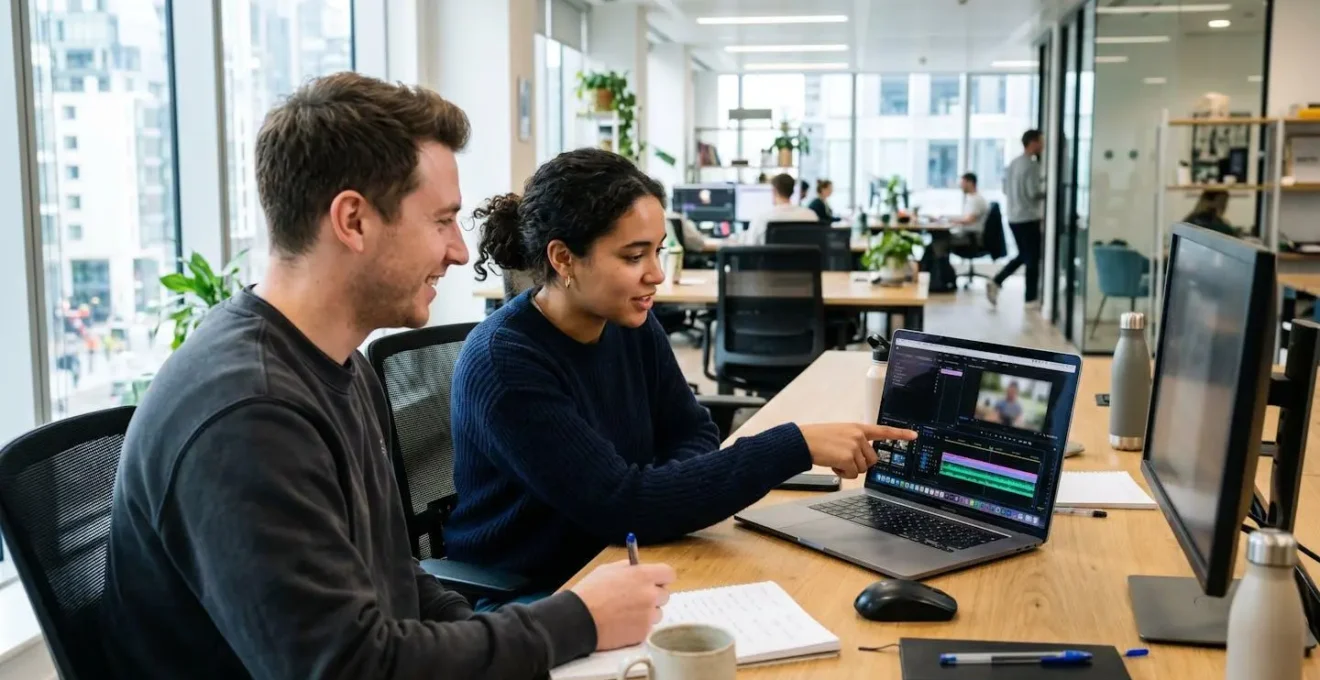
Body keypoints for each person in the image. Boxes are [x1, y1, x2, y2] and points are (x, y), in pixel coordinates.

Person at [101, 73, 676, 680]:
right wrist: (574, 622)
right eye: (441, 221)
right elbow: (348, 669)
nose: (459, 251)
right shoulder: (250, 414)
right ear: (353, 221)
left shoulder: (338, 364)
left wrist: (513, 639)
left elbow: (397, 577)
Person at [447, 148, 918, 593]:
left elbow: (693, 431)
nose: (656, 273)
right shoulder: (505, 361)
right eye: (634, 256)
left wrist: (666, 494)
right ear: (563, 258)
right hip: (535, 592)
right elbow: (622, 505)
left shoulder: (628, 320)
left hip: (627, 555)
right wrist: (793, 445)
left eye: (658, 251)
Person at [990, 129, 1047, 309]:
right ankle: (1030, 299)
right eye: (1041, 141)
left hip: (1013, 217)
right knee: (1032, 258)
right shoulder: (1032, 165)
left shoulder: (1013, 163)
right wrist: (1050, 191)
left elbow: (1005, 190)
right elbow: (1033, 193)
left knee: (1025, 255)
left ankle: (997, 281)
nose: (1043, 145)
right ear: (1033, 142)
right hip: (1028, 217)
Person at [741, 172, 820, 245]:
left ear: (774, 191)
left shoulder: (762, 219)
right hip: (803, 256)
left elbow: (750, 247)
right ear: (792, 191)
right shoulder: (811, 216)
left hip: (772, 256)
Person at [949, 172, 989, 246]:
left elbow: (970, 220)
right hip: (968, 234)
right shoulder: (971, 198)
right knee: (940, 237)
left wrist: (950, 220)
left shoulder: (977, 199)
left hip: (971, 237)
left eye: (963, 183)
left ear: (970, 183)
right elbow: (966, 217)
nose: (961, 186)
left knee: (940, 239)